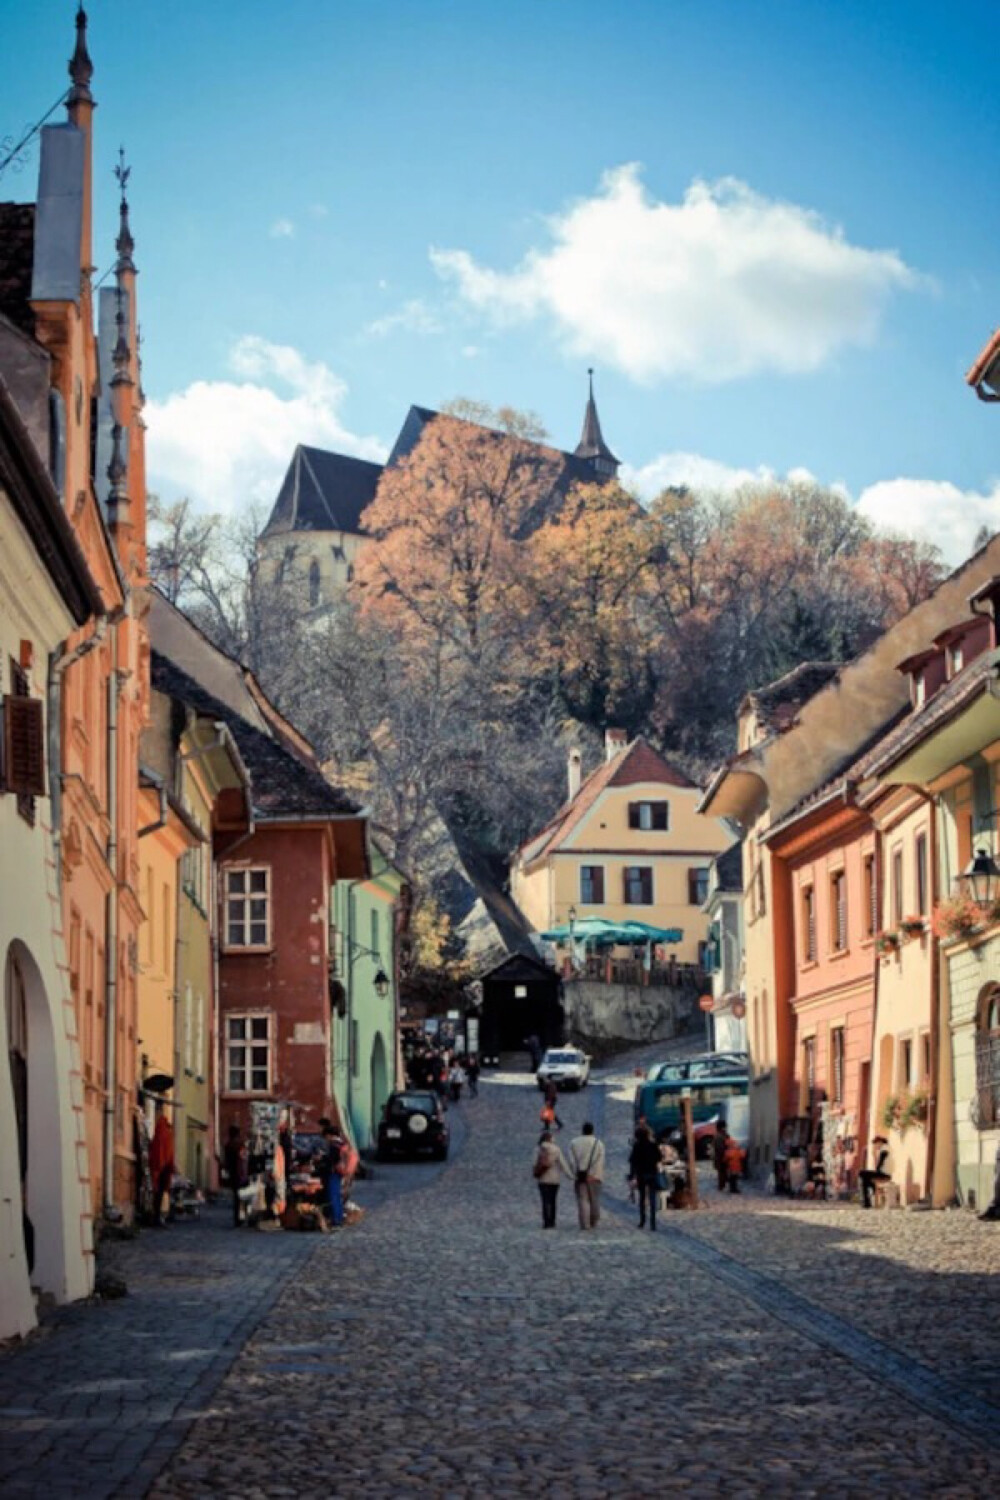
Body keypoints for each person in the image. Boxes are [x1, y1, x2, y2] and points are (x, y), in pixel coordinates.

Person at [567, 1121, 605, 1230]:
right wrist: (594, 1173)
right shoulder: (599, 1143)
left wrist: (576, 1171)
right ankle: (594, 1219)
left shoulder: (573, 1143)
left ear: (582, 1131)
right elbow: (600, 1161)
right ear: (592, 1131)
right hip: (595, 1177)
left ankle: (585, 1223)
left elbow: (571, 1160)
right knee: (595, 1199)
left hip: (580, 1176)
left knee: (583, 1199)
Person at [532, 1130, 572, 1229]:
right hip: (554, 1179)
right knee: (553, 1200)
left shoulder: (537, 1149)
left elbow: (533, 1163)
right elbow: (563, 1164)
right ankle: (552, 1221)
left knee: (545, 1200)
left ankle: (546, 1222)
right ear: (550, 1139)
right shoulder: (556, 1149)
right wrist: (570, 1176)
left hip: (542, 1179)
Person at [629, 1123, 661, 1231]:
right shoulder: (653, 1145)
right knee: (652, 1198)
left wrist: (632, 1176)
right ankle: (653, 1222)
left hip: (641, 1174)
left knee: (642, 1198)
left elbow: (633, 1162)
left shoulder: (637, 1146)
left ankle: (642, 1220)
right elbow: (659, 1157)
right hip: (652, 1172)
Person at [147, 1104, 176, 1226]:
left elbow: (154, 1152)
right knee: (162, 1194)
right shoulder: (167, 1135)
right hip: (164, 1169)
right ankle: (160, 1217)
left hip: (157, 1169)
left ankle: (156, 1216)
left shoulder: (158, 1134)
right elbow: (169, 1153)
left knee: (157, 1194)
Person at [317, 1122, 346, 1227]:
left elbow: (332, 1160)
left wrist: (322, 1158)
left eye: (326, 1137)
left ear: (329, 1135)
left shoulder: (334, 1145)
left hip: (334, 1172)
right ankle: (339, 1217)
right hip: (339, 1172)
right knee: (337, 1196)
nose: (326, 1139)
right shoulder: (341, 1143)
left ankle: (336, 1220)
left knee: (333, 1196)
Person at [859, 1135, 892, 1209]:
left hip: (885, 1174)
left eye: (876, 1144)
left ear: (879, 1142)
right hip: (884, 1173)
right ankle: (867, 1202)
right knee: (865, 1180)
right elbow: (878, 1167)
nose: (876, 1147)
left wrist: (874, 1155)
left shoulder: (885, 1149)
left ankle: (867, 1201)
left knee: (862, 1173)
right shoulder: (886, 1149)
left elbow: (878, 1167)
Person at [223, 1124, 245, 1227]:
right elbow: (242, 1159)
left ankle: (237, 1218)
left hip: (233, 1174)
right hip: (240, 1173)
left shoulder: (228, 1145)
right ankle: (240, 1218)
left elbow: (226, 1161)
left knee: (236, 1198)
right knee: (241, 1197)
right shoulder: (239, 1145)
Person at [713, 1119, 729, 1193]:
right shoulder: (720, 1136)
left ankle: (722, 1185)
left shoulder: (721, 1135)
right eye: (725, 1127)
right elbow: (720, 1148)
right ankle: (721, 1186)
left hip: (721, 1156)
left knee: (723, 1171)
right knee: (722, 1172)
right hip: (721, 1157)